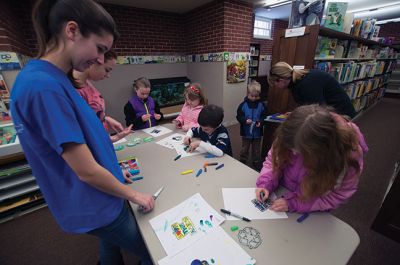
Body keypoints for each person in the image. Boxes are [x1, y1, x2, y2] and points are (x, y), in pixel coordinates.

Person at [10, 1, 154, 264]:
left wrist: (112, 168)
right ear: (72, 31)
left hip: (101, 193)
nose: (99, 60)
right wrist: (134, 195)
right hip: (95, 202)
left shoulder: (56, 79)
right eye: (99, 49)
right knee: (152, 249)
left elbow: (86, 139)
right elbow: (85, 169)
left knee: (111, 245)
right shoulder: (43, 87)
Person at [255, 104, 368, 213]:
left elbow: (337, 195)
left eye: (299, 151)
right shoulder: (291, 133)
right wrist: (266, 183)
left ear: (323, 149)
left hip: (312, 207)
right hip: (282, 193)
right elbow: (273, 161)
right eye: (290, 148)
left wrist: (295, 204)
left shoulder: (346, 159)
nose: (293, 152)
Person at [73, 49, 132, 142]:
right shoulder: (74, 90)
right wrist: (114, 138)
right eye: (107, 70)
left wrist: (105, 119)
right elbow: (82, 132)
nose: (108, 75)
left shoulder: (87, 83)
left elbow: (92, 113)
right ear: (94, 62)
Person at [269, 61, 357, 118]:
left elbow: (317, 112)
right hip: (334, 114)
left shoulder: (305, 84)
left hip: (343, 117)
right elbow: (308, 106)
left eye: (274, 84)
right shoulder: (299, 81)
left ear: (281, 80)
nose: (276, 87)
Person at [236, 80, 267, 170]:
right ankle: (243, 160)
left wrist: (261, 122)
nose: (253, 98)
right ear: (247, 94)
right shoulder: (243, 105)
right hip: (246, 133)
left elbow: (265, 116)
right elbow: (239, 116)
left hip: (257, 133)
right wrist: (245, 121)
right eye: (251, 96)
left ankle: (256, 161)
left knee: (256, 149)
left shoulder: (262, 105)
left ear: (259, 95)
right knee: (245, 148)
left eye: (256, 96)